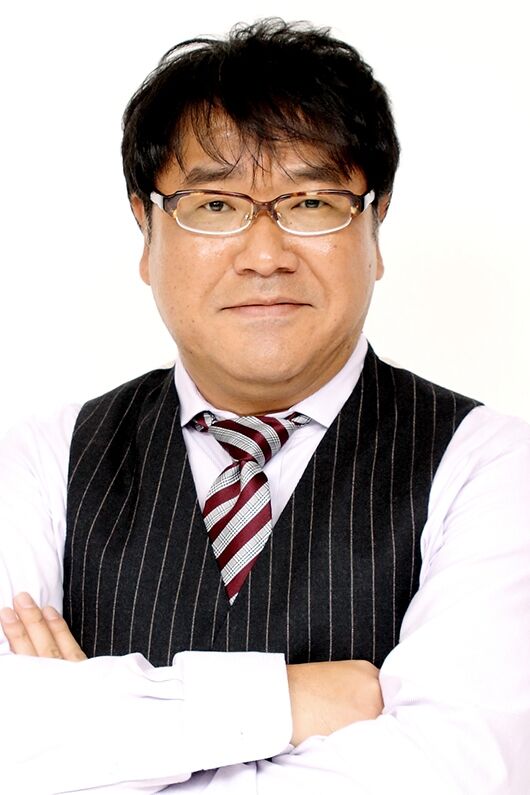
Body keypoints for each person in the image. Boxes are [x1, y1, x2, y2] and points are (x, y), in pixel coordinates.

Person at [0, 17, 529, 795]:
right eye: (214, 206)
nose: (264, 254)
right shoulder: (43, 459)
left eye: (311, 202)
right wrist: (293, 701)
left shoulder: (492, 466)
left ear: (376, 226)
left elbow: (459, 768)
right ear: (146, 231)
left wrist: (87, 741)